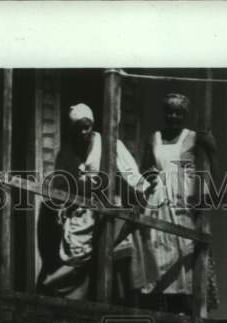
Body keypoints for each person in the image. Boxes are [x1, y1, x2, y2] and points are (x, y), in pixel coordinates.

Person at [37, 103, 153, 301]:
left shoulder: (108, 144)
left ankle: (117, 303)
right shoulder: (67, 152)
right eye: (78, 127)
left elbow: (131, 176)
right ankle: (50, 286)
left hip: (107, 208)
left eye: (87, 126)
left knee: (107, 254)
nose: (83, 131)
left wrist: (137, 199)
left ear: (93, 125)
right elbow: (62, 184)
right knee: (77, 256)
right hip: (81, 212)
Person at [133, 92, 220, 314]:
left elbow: (212, 160)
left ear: (184, 115)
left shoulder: (193, 136)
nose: (173, 116)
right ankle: (167, 308)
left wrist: (207, 191)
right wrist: (149, 178)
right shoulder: (154, 138)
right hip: (159, 201)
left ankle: (188, 310)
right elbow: (144, 170)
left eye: (178, 112)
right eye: (169, 112)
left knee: (186, 253)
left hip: (184, 201)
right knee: (159, 252)